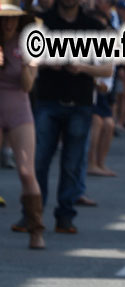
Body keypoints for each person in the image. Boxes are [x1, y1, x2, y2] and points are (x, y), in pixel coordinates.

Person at [29, 0, 110, 236]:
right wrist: (46, 62)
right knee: (39, 161)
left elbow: (107, 69)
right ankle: (33, 215)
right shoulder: (43, 23)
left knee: (72, 164)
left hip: (80, 103)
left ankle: (65, 216)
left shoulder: (93, 26)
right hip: (48, 101)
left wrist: (83, 67)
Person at [2, 0, 43, 249]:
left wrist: (28, 66)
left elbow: (28, 86)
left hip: (19, 110)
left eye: (12, 19)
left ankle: (36, 229)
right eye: (3, 19)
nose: (7, 24)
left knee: (27, 172)